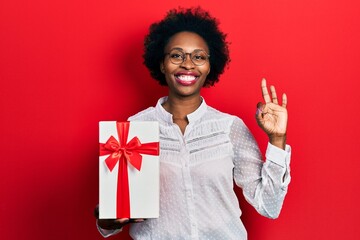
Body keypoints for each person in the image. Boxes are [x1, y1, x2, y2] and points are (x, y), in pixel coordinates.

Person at [95, 7, 291, 239]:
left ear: (209, 66)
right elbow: (115, 217)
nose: (188, 64)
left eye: (198, 56)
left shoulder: (229, 127)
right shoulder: (135, 128)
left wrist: (277, 140)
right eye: (177, 55)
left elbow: (269, 206)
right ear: (162, 64)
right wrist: (106, 218)